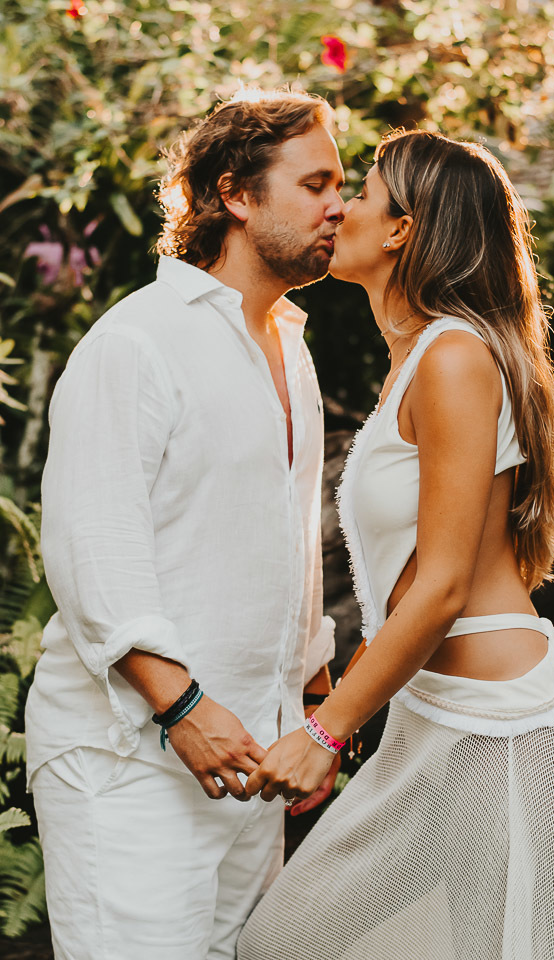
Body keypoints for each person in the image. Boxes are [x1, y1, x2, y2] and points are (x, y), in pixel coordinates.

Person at [237, 130, 554, 959]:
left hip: (509, 728)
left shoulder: (454, 357)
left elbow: (444, 585)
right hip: (434, 718)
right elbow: (409, 573)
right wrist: (339, 701)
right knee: (289, 943)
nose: (338, 209)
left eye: (360, 192)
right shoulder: (419, 359)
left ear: (402, 230)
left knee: (284, 945)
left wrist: (325, 733)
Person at [25, 88, 345, 960]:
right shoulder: (137, 341)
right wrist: (183, 709)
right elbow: (93, 548)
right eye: (315, 184)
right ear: (234, 193)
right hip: (132, 761)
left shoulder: (291, 346)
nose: (339, 206)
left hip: (250, 762)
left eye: (340, 185)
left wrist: (312, 703)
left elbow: (287, 548)